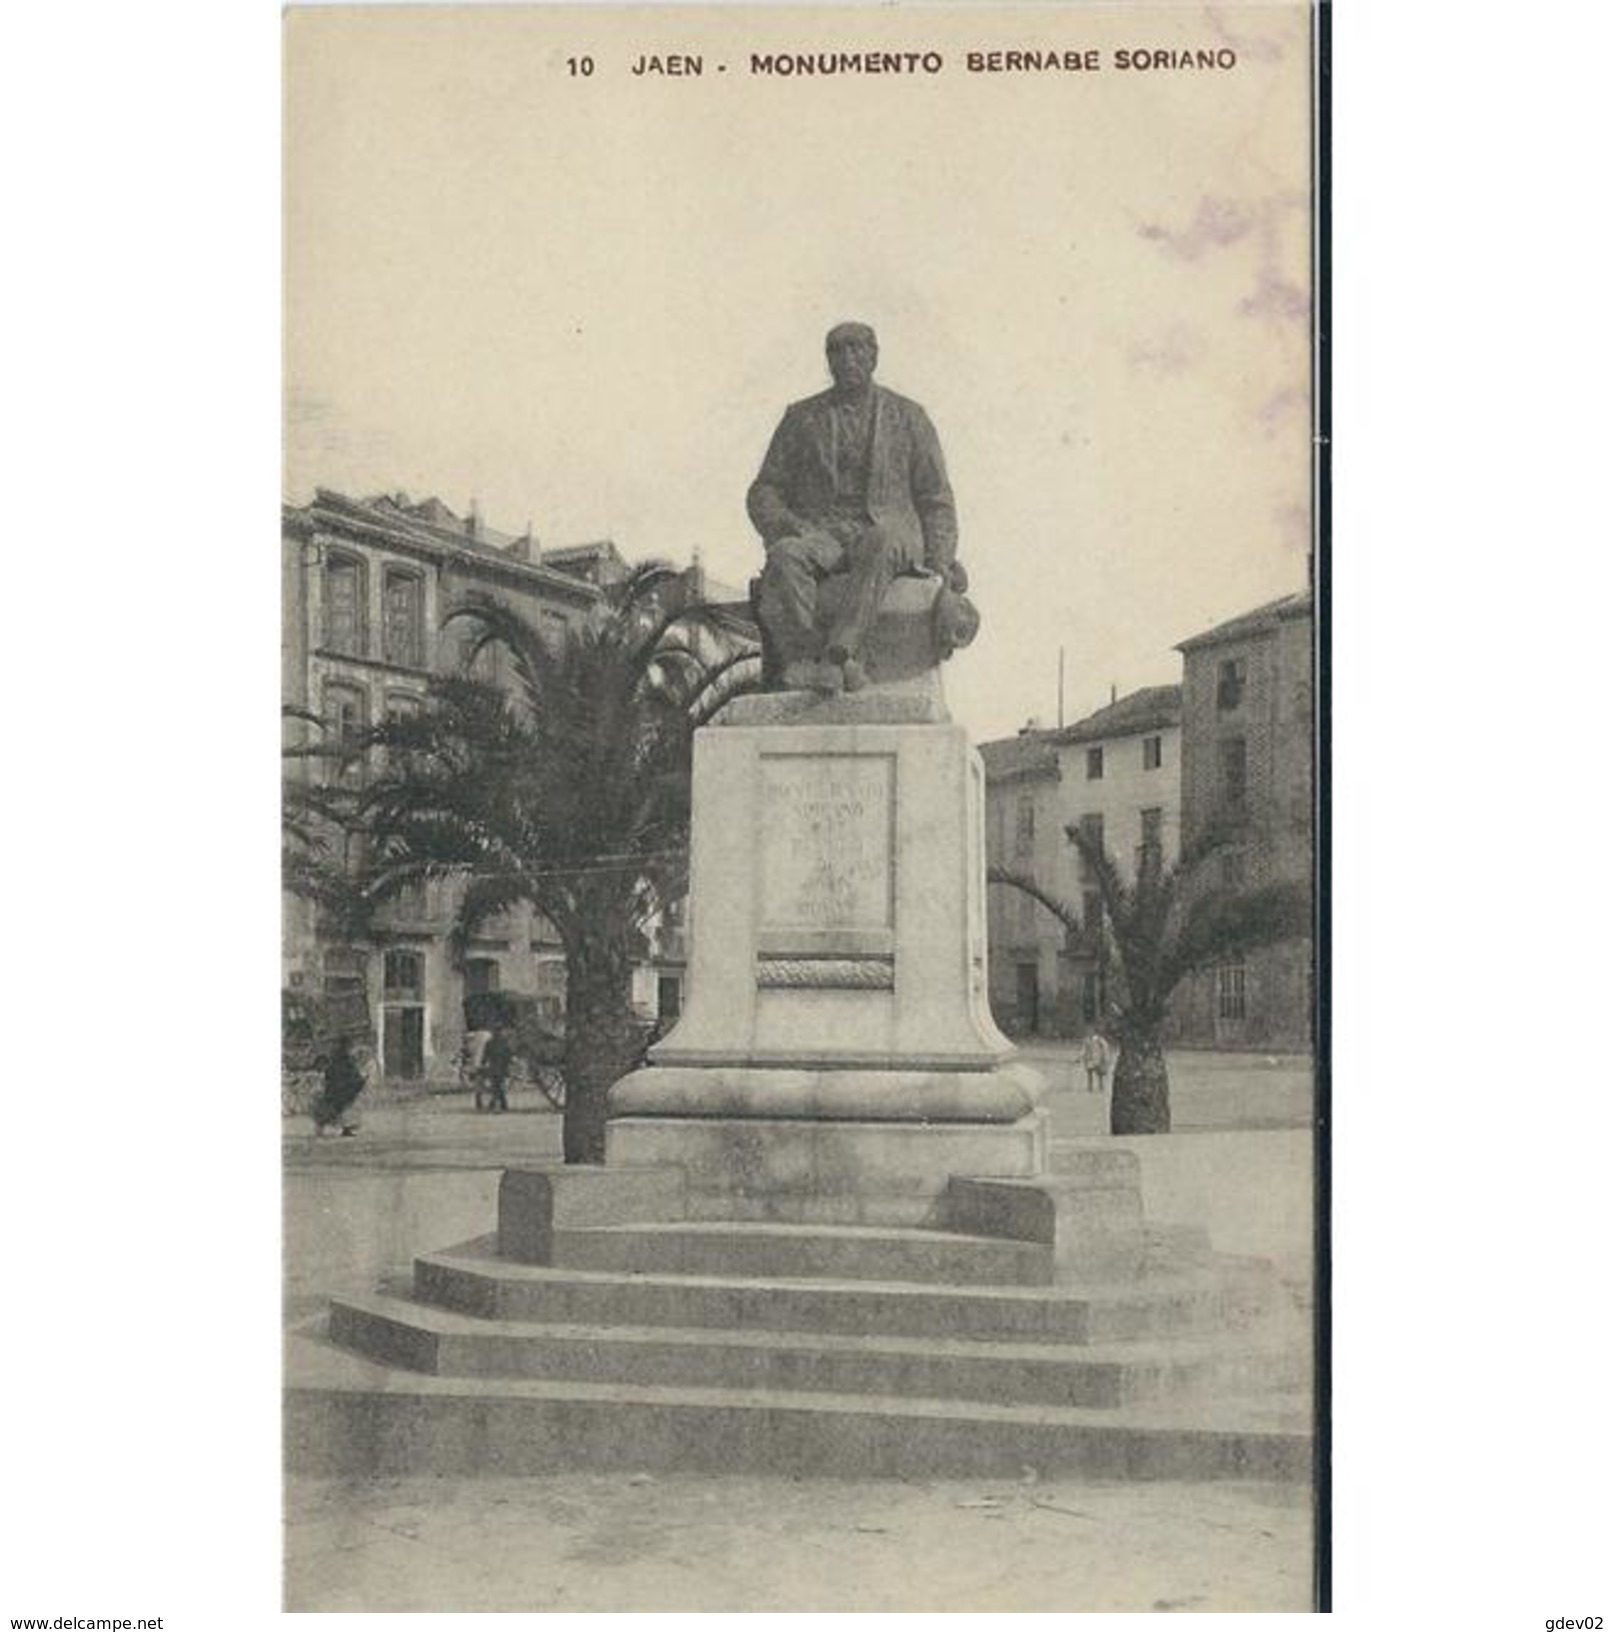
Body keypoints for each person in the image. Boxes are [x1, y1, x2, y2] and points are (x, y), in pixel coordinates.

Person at [748, 322, 966, 694]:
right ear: (828, 361)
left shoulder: (909, 416)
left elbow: (936, 499)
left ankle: (839, 653)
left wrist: (942, 561)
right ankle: (811, 659)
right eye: (837, 351)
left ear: (874, 356)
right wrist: (791, 526)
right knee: (786, 556)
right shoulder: (801, 418)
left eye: (857, 349)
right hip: (824, 534)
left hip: (890, 531)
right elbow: (763, 491)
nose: (848, 358)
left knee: (879, 541)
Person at [1080, 1030, 1111, 1094]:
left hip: (1098, 1060)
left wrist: (1105, 1058)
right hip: (1089, 1060)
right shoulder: (1086, 1040)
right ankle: (1090, 1088)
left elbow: (1105, 1048)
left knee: (1099, 1075)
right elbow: (1084, 1050)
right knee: (1089, 1074)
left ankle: (1101, 1087)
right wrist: (1081, 1057)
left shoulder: (1100, 1040)